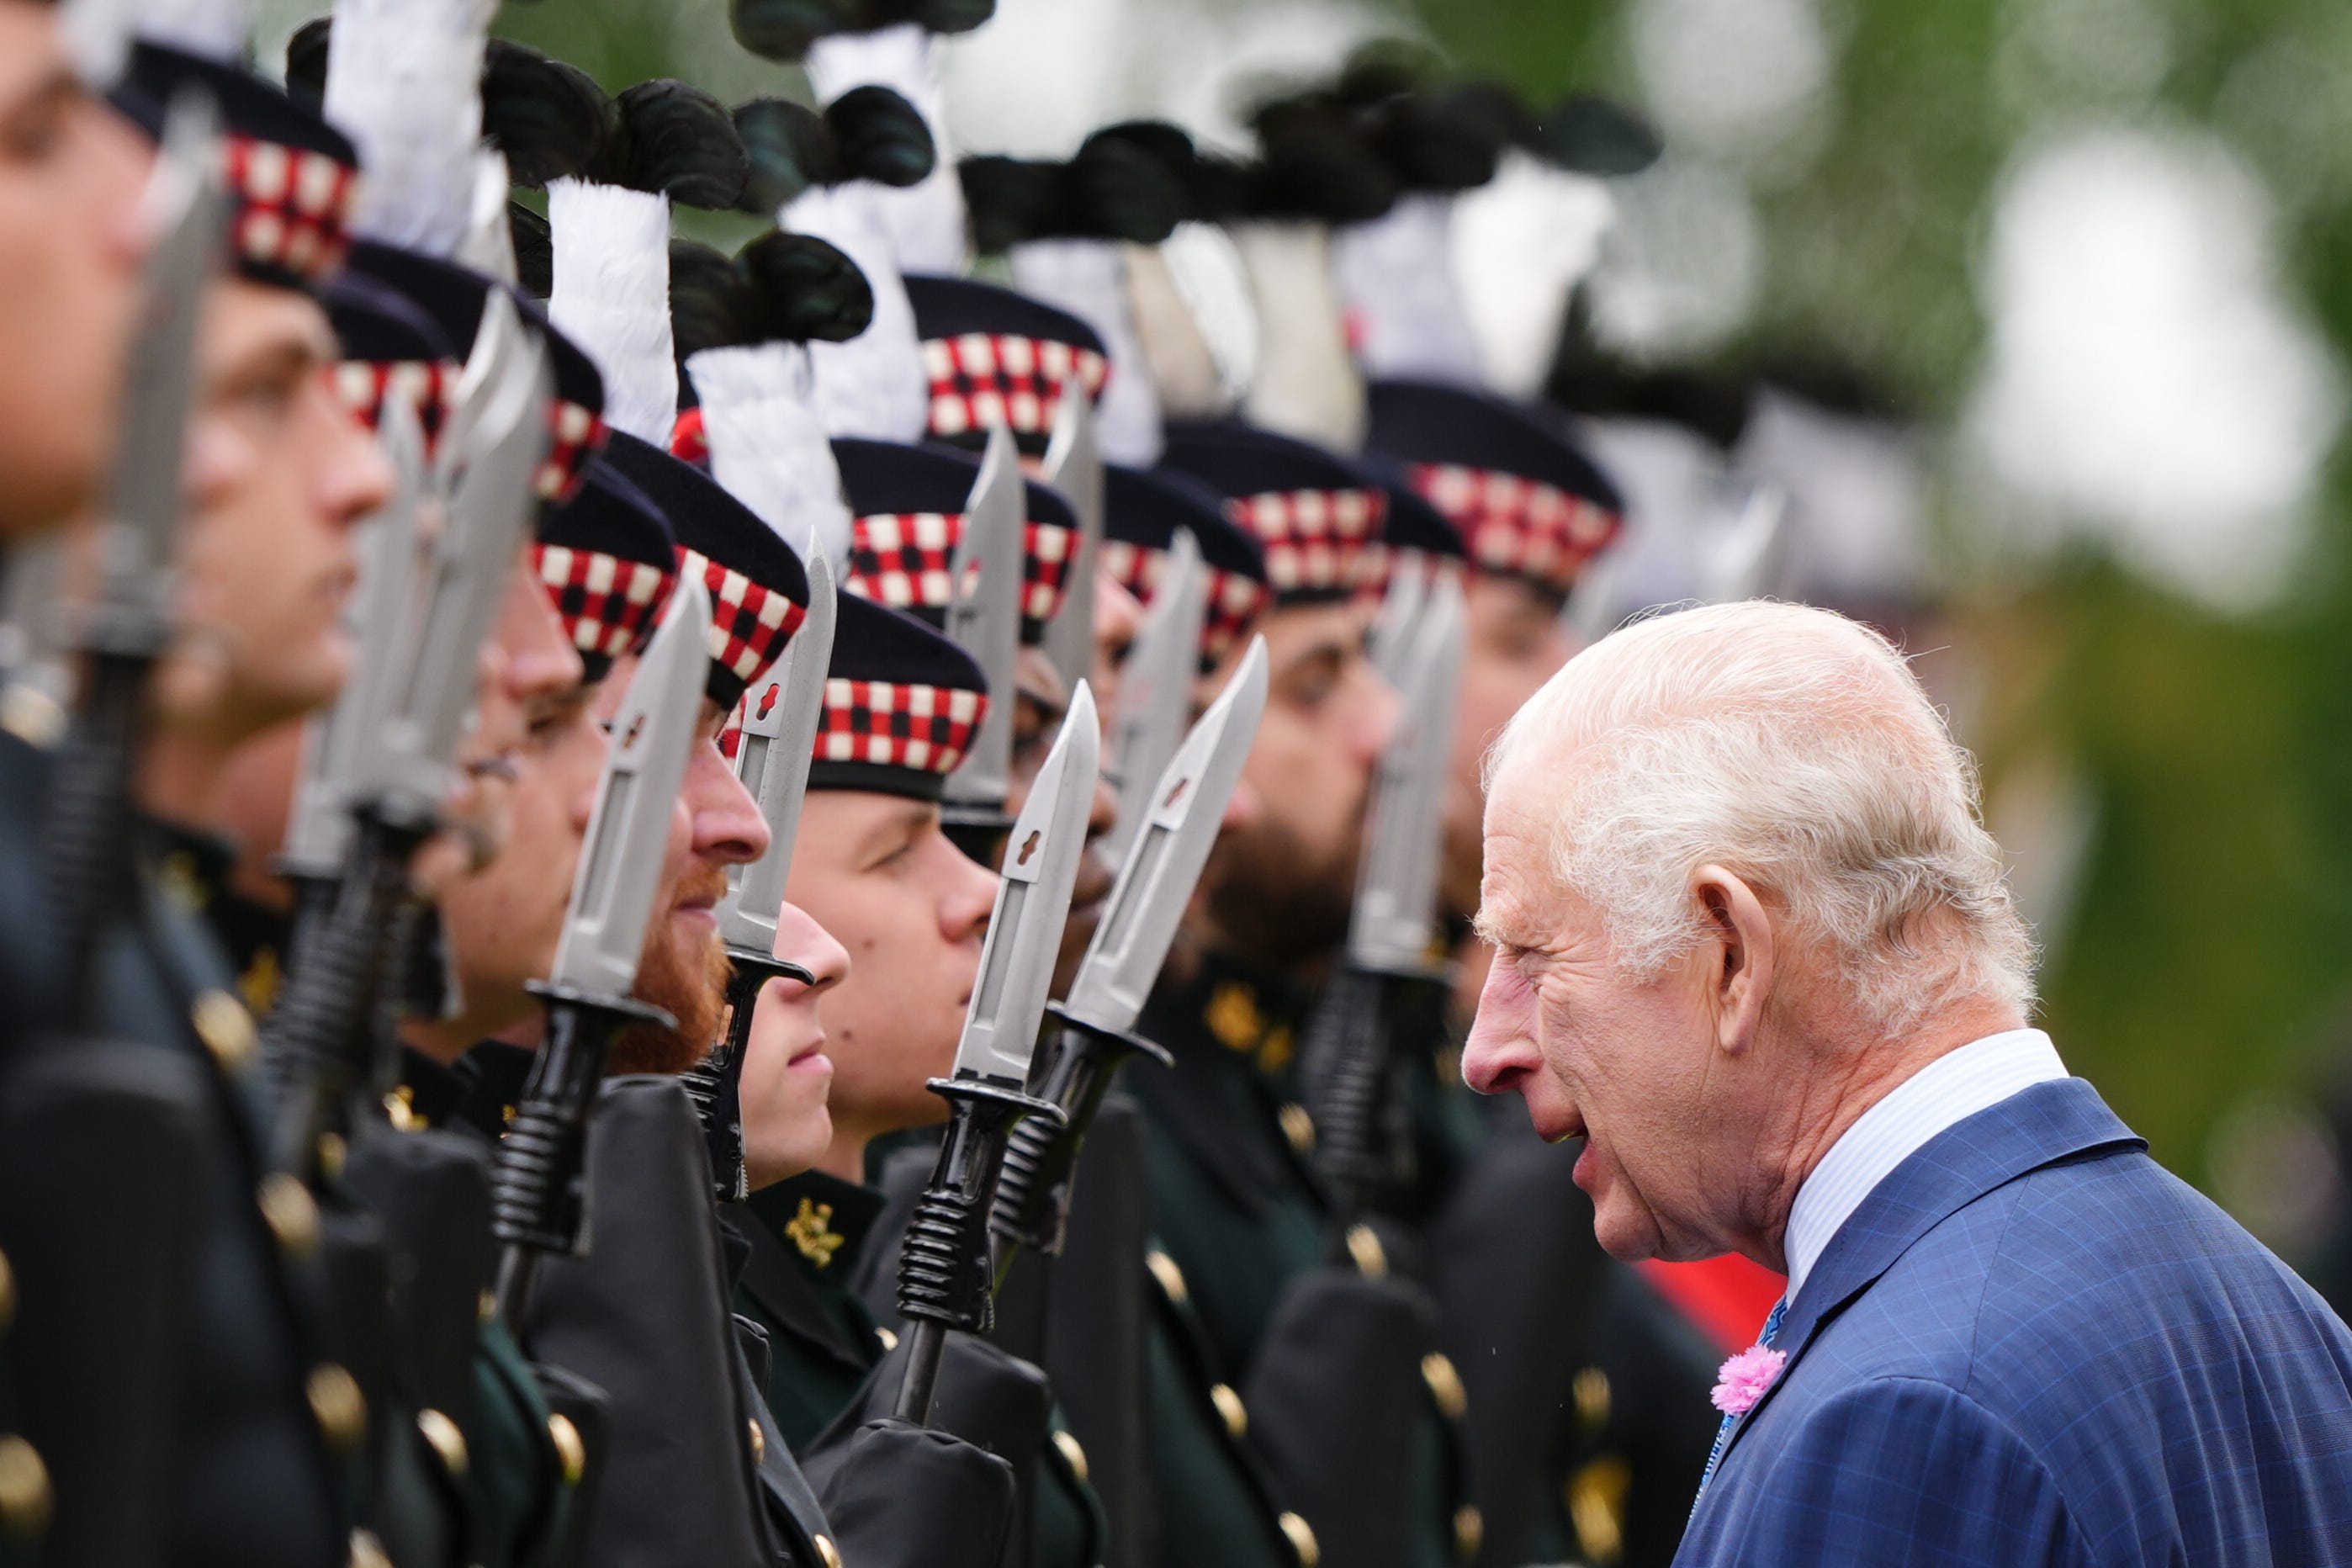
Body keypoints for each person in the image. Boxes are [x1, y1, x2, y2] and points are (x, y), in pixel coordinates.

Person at [1465, 600, 2352, 1566]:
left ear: (1730, 953)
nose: (1486, 1047)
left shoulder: (1906, 1417)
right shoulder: (2278, 1319)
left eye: (1533, 954)